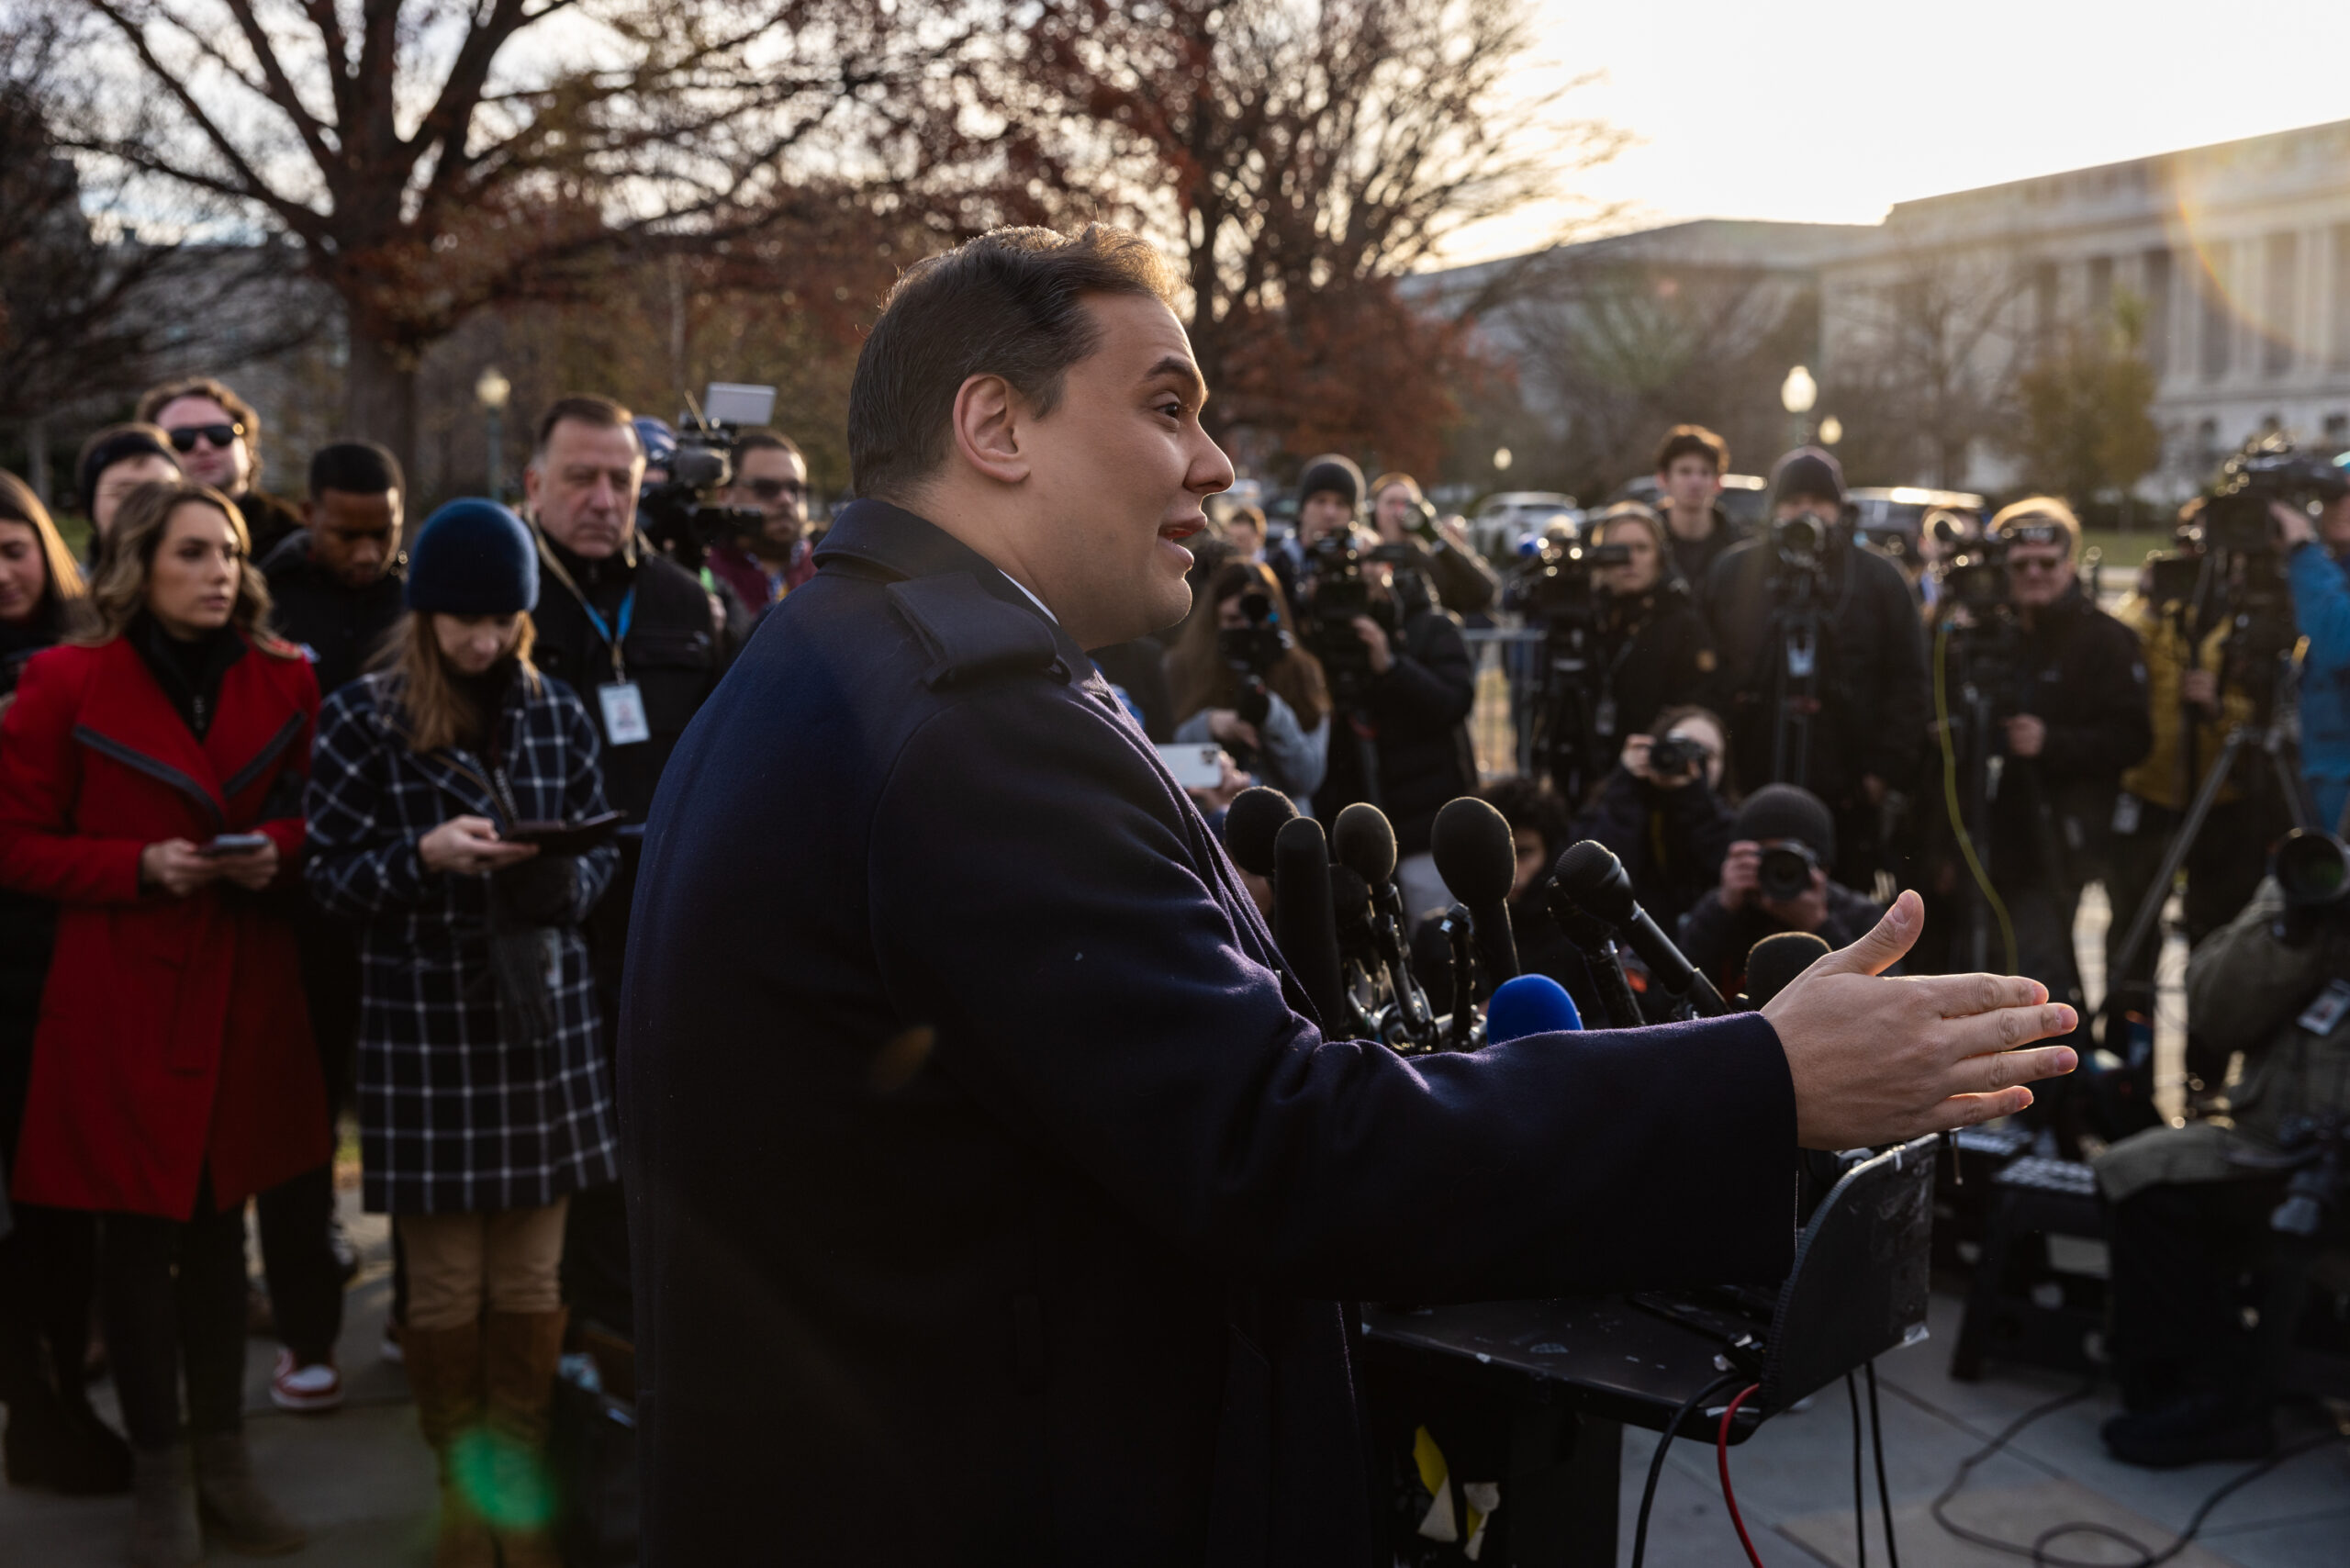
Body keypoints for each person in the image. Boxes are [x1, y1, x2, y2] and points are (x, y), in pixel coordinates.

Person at [619, 223, 2079, 1565]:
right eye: (1169, 406)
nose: (1217, 468)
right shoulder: (966, 730)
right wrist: (1763, 1078)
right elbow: (1277, 1149)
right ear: (995, 425)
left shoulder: (838, 660)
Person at [0, 479, 319, 1563]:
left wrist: (277, 846)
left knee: (223, 1243)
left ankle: (225, 1469)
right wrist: (136, 864)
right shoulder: (61, 682)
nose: (219, 569)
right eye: (193, 552)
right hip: (122, 994)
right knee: (134, 1251)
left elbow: (323, 810)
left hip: (238, 988)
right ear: (141, 565)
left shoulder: (285, 679)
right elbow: (14, 841)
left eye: (229, 551)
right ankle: (162, 1483)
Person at [304, 499, 620, 1568]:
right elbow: (326, 877)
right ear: (424, 613)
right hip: (426, 1025)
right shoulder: (362, 718)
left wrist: (553, 868)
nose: (483, 641)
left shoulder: (556, 711)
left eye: (500, 620)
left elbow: (601, 860)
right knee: (442, 1288)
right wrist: (426, 855)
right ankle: (457, 1494)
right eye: (462, 621)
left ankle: (513, 1497)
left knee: (532, 1284)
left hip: (544, 1023)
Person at [520, 396, 722, 1338]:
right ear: (534, 485)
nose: (603, 500)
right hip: (545, 920)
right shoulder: (505, 600)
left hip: (664, 917)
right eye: (579, 479)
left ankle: (633, 1327)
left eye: (620, 482)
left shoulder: (686, 600)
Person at [247, 440, 412, 1411]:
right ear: (307, 514)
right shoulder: (264, 600)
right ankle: (306, 1331)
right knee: (301, 1139)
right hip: (299, 908)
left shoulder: (415, 596)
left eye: (381, 531)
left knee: (402, 1116)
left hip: (397, 899)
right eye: (345, 531)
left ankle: (410, 1310)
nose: (364, 550)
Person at [2095, 852, 2350, 1467]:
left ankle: (2223, 1392)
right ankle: (2202, 1381)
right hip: (2271, 1142)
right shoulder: (2317, 872)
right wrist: (2297, 928)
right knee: (2136, 1175)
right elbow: (2213, 1011)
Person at [0, 474, 125, 1498]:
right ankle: (31, 1408)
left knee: (64, 1211)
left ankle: (67, 1398)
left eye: (14, 548)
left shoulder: (89, 661)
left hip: (75, 969)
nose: (3, 573)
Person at [1962, 499, 2151, 1025]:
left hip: (2056, 842)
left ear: (2070, 563)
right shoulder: (1980, 636)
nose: (2035, 575)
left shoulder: (2107, 641)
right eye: (2021, 564)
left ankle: (2049, 1094)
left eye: (2047, 562)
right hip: (1978, 836)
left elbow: (2134, 738)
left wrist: (2052, 742)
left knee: (2036, 973)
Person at [1706, 446, 1928, 886]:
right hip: (1750, 778)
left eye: (1818, 503)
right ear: (1775, 510)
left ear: (1839, 509)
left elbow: (1908, 680)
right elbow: (1706, 670)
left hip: (1848, 789)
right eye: (1792, 503)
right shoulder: (1734, 572)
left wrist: (1883, 773)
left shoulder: (1879, 578)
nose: (1805, 514)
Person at [2103, 512, 2266, 1010]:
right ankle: (2130, 1056)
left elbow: (2265, 712)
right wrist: (2156, 604)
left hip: (2221, 799)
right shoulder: (2143, 613)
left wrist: (2218, 705)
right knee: (2134, 925)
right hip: (2147, 792)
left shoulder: (2243, 617)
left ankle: (2205, 1063)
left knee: (2214, 928)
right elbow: (2118, 644)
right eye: (2185, 547)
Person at [1680, 784, 1886, 999]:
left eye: (1791, 857)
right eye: (1765, 856)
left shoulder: (1860, 916)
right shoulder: (1724, 907)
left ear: (1823, 867)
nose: (1780, 870)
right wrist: (1722, 909)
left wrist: (1820, 925)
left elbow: (1881, 1004)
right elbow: (1669, 997)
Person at [1164, 559, 1330, 806]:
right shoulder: (1181, 668)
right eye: (1232, 620)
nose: (1246, 632)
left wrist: (1272, 715)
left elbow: (1308, 778)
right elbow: (1164, 767)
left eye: (1255, 618)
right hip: (1212, 829)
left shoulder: (1302, 671)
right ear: (1214, 622)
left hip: (1284, 831)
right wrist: (1210, 727)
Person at [1581, 500, 1718, 793]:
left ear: (1660, 557)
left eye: (1642, 548)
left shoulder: (1682, 621)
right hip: (1588, 770)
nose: (1630, 559)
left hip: (1654, 774)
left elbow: (1697, 700)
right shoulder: (1587, 620)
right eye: (1618, 550)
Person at [1572, 703, 1739, 932]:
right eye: (1680, 748)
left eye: (1705, 755)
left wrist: (1697, 802)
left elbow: (1724, 869)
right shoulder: (1617, 802)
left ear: (1724, 766)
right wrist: (1625, 787)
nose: (1691, 762)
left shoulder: (1731, 822)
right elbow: (1597, 878)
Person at [136, 377, 305, 560]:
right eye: (181, 439)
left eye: (219, 434)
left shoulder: (299, 541)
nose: (203, 447)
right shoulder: (136, 546)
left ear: (248, 450)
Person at [2276, 484, 2350, 832]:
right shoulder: (2324, 570)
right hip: (2314, 768)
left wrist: (2303, 549)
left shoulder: (2312, 566)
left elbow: (2339, 639)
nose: (2340, 505)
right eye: (2334, 494)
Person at [704, 429, 817, 618]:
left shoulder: (830, 574)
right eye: (766, 488)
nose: (786, 499)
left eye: (795, 489)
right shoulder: (703, 574)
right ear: (723, 494)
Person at [1369, 471, 1497, 619]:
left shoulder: (1430, 563)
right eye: (1391, 503)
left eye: (1407, 504)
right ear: (1373, 512)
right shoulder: (1365, 558)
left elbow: (1484, 592)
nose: (1399, 512)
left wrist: (1435, 536)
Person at [73, 423, 183, 566]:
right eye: (123, 493)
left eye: (161, 492)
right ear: (92, 503)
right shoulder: (67, 587)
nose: (143, 505)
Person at [1653, 424, 1745, 591]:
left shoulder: (1738, 548)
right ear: (1663, 479)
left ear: (1718, 482)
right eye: (1685, 471)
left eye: (1705, 472)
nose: (1695, 482)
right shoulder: (1645, 545)